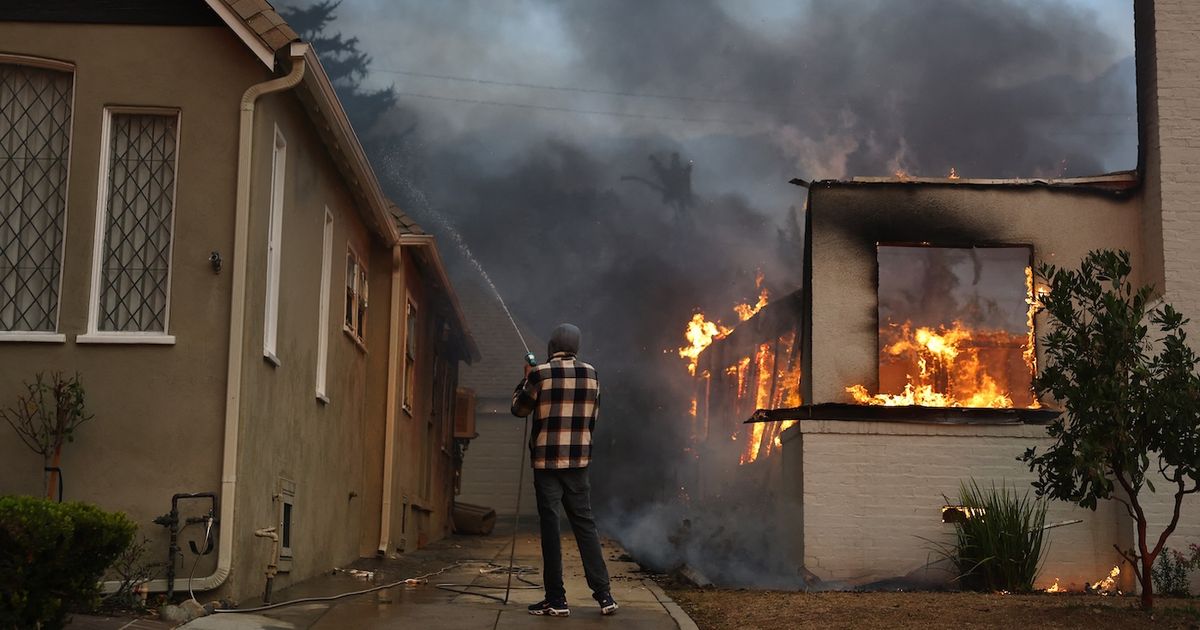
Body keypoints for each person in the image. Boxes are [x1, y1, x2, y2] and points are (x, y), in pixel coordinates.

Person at [512, 323, 617, 617]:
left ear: (552, 344)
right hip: (579, 462)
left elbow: (519, 409)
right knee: (585, 524)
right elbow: (593, 419)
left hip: (546, 463)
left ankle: (556, 600)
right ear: (576, 346)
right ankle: (605, 595)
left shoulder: (540, 373)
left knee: (551, 529)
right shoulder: (592, 374)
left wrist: (525, 380)